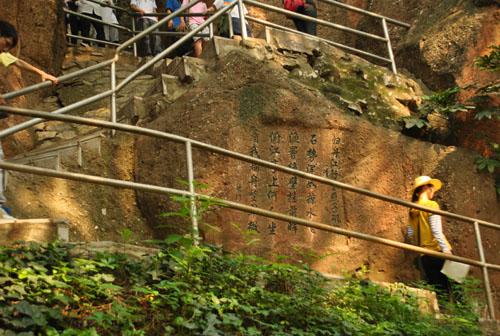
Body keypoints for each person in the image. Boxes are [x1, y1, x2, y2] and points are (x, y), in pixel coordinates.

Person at [0, 20, 58, 219]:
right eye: (5, 43)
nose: (5, 49)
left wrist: (41, 73)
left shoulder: (1, 55)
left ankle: (0, 205)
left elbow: (17, 61)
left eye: (8, 47)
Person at [407, 176, 453, 301]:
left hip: (425, 256)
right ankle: (466, 317)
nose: (433, 190)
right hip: (439, 251)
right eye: (431, 187)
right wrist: (446, 250)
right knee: (457, 285)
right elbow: (436, 230)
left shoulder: (412, 210)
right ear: (425, 188)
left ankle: (444, 317)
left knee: (440, 290)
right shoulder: (432, 205)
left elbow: (410, 233)